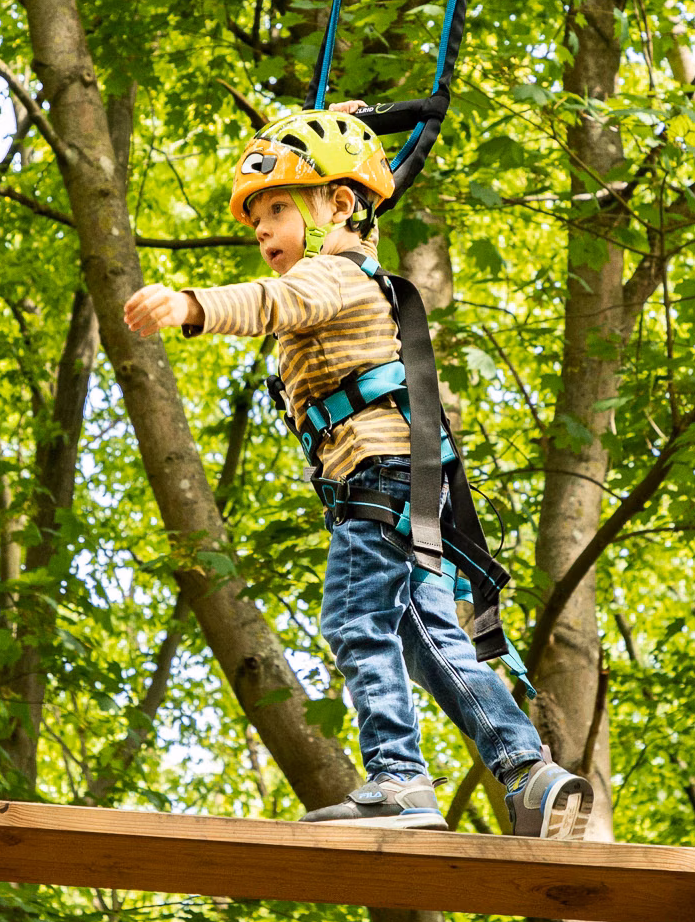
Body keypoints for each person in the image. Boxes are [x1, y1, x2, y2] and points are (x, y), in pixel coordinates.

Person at [122, 108, 595, 839]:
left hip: (378, 480)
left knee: (354, 619)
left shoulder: (330, 276)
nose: (261, 230)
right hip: (407, 484)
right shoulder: (358, 279)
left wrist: (191, 306)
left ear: (341, 206)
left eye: (276, 208)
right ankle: (529, 774)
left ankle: (400, 781)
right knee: (428, 637)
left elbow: (272, 303)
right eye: (255, 219)